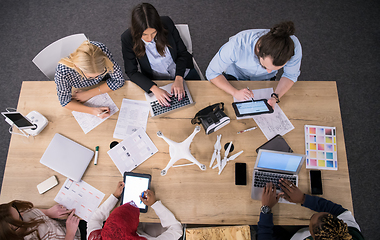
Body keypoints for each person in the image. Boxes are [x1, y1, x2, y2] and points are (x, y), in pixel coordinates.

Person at [205, 21, 302, 107]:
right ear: (259, 50)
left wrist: (276, 97)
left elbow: (290, 75)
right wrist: (235, 92)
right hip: (235, 77)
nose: (268, 71)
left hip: (265, 81)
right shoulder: (236, 46)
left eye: (275, 69)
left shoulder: (292, 46)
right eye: (264, 66)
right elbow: (212, 73)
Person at [121, 3, 200, 107]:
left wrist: (179, 78)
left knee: (199, 100)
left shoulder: (167, 23)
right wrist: (154, 89)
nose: (150, 38)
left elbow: (183, 53)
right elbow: (131, 71)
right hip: (156, 80)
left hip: (182, 71)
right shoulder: (127, 38)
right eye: (144, 34)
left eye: (153, 33)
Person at [257, 180, 364, 240]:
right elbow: (338, 210)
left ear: (312, 236)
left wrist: (266, 209)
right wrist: (303, 199)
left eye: (311, 223)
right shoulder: (350, 231)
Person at [87, 181, 183, 240]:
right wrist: (155, 204)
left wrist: (115, 197)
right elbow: (177, 230)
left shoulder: (95, 237)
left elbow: (94, 219)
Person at [55, 40, 125, 118]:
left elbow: (119, 81)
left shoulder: (100, 51)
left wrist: (89, 93)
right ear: (78, 67)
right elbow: (65, 102)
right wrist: (93, 111)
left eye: (101, 73)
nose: (97, 78)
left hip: (102, 83)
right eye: (91, 77)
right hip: (82, 87)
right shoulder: (63, 71)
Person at [0, 200, 82, 240]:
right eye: (20, 218)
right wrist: (70, 233)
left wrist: (47, 212)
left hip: (61, 225)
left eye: (17, 209)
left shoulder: (17, 215)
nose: (23, 214)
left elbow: (28, 212)